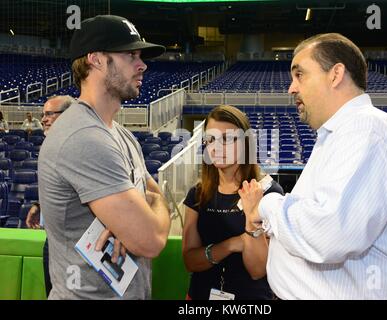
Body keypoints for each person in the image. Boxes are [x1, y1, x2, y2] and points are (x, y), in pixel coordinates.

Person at [238, 33, 387, 299]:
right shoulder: (339, 133)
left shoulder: (366, 129)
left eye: (300, 75)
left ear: (335, 74)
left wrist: (267, 206)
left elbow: (329, 233)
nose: (291, 88)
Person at [38, 15, 170, 299]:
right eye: (130, 55)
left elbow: (153, 195)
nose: (142, 64)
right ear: (96, 60)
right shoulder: (83, 137)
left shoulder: (121, 134)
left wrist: (139, 214)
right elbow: (151, 241)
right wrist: (151, 209)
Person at [182, 105, 284, 300]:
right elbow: (190, 261)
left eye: (227, 139)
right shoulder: (197, 195)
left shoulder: (268, 192)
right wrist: (231, 245)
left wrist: (251, 218)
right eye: (211, 139)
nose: (216, 147)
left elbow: (258, 270)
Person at [25, 95, 75, 297]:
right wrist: (39, 204)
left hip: (73, 245)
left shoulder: (78, 148)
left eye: (49, 114)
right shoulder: (51, 147)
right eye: (42, 114)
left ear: (68, 116)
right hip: (52, 239)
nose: (44, 119)